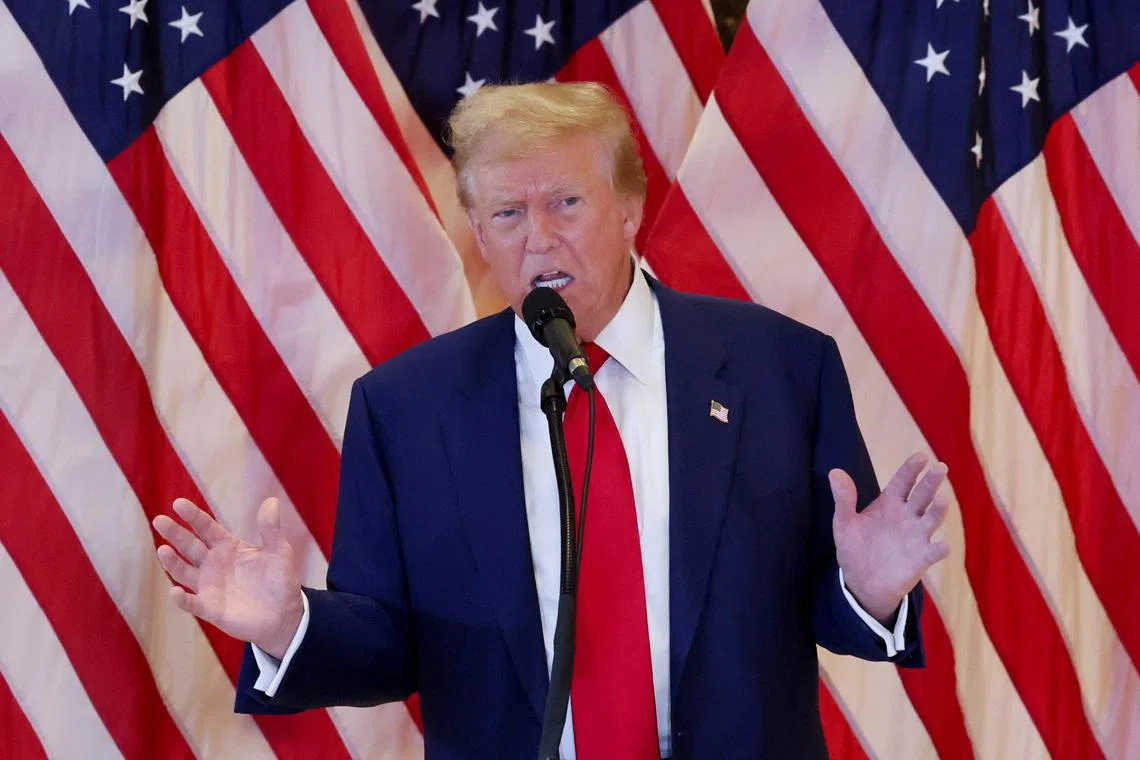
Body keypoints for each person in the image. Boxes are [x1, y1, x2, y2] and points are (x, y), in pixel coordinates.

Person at [152, 82, 950, 759]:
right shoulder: (405, 408)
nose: (539, 238)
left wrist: (869, 592)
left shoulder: (781, 368)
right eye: (506, 214)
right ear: (479, 234)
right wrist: (291, 624)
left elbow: (825, 602)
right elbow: (389, 645)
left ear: (630, 206)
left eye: (566, 202)